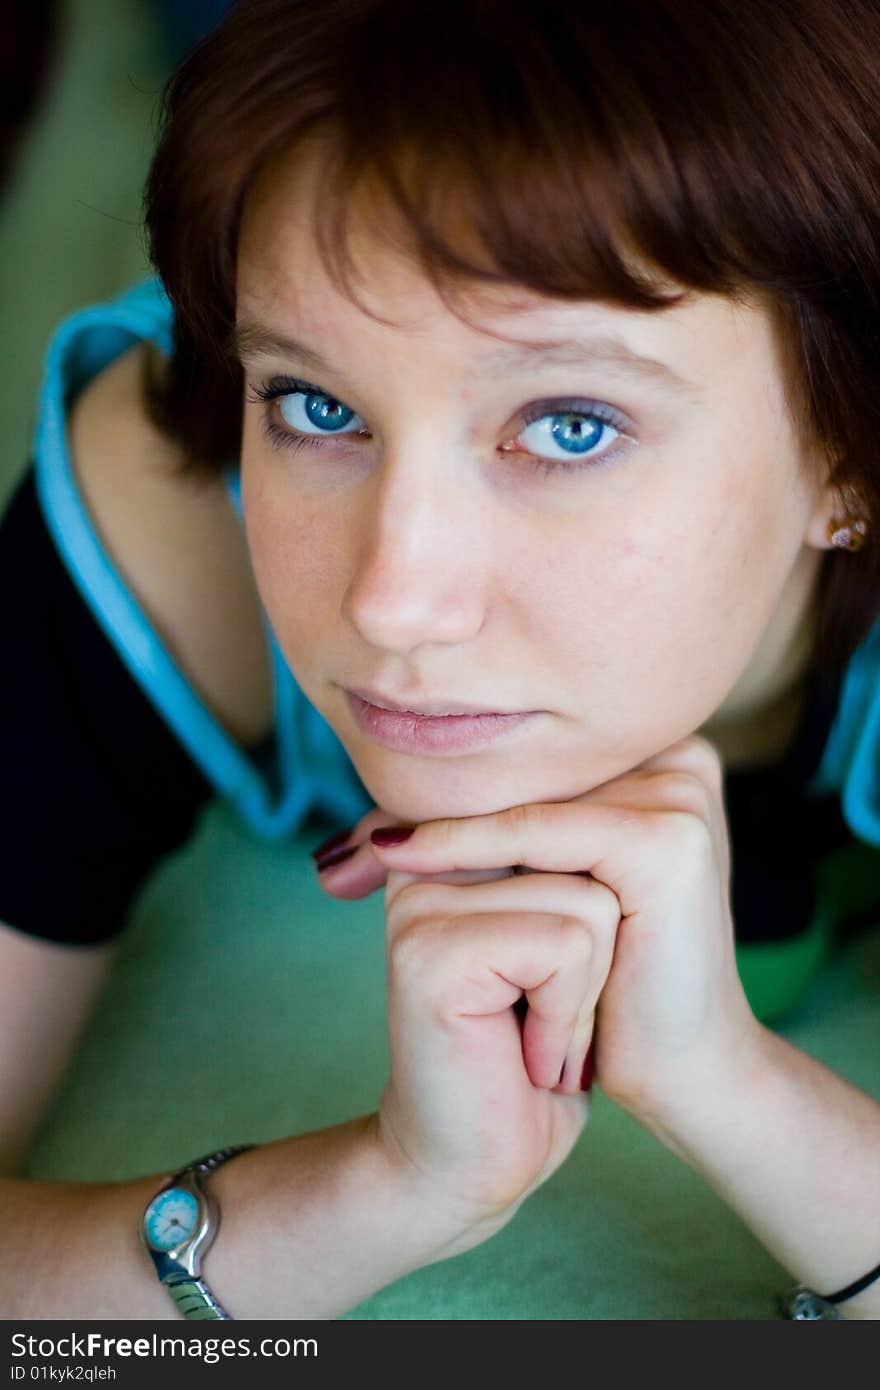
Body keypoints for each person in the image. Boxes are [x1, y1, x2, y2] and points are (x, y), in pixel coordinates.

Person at [1, 0, 879, 1321]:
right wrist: (382, 1187)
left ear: (851, 456)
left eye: (571, 425)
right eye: (316, 405)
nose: (394, 601)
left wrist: (730, 1084)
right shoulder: (164, 520)